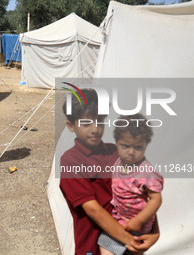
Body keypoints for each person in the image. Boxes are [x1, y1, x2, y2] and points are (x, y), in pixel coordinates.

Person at [60, 89, 160, 255]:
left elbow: (143, 194)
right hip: (94, 243)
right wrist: (131, 241)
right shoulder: (71, 161)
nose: (95, 129)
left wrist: (154, 232)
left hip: (132, 239)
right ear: (71, 126)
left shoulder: (117, 152)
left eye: (99, 121)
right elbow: (93, 210)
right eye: (86, 123)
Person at [98, 114, 163, 255]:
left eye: (138, 147)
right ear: (117, 143)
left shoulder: (145, 172)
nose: (131, 152)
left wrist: (139, 221)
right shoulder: (118, 162)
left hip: (139, 224)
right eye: (125, 146)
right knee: (105, 246)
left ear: (146, 145)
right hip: (119, 219)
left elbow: (156, 199)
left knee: (134, 250)